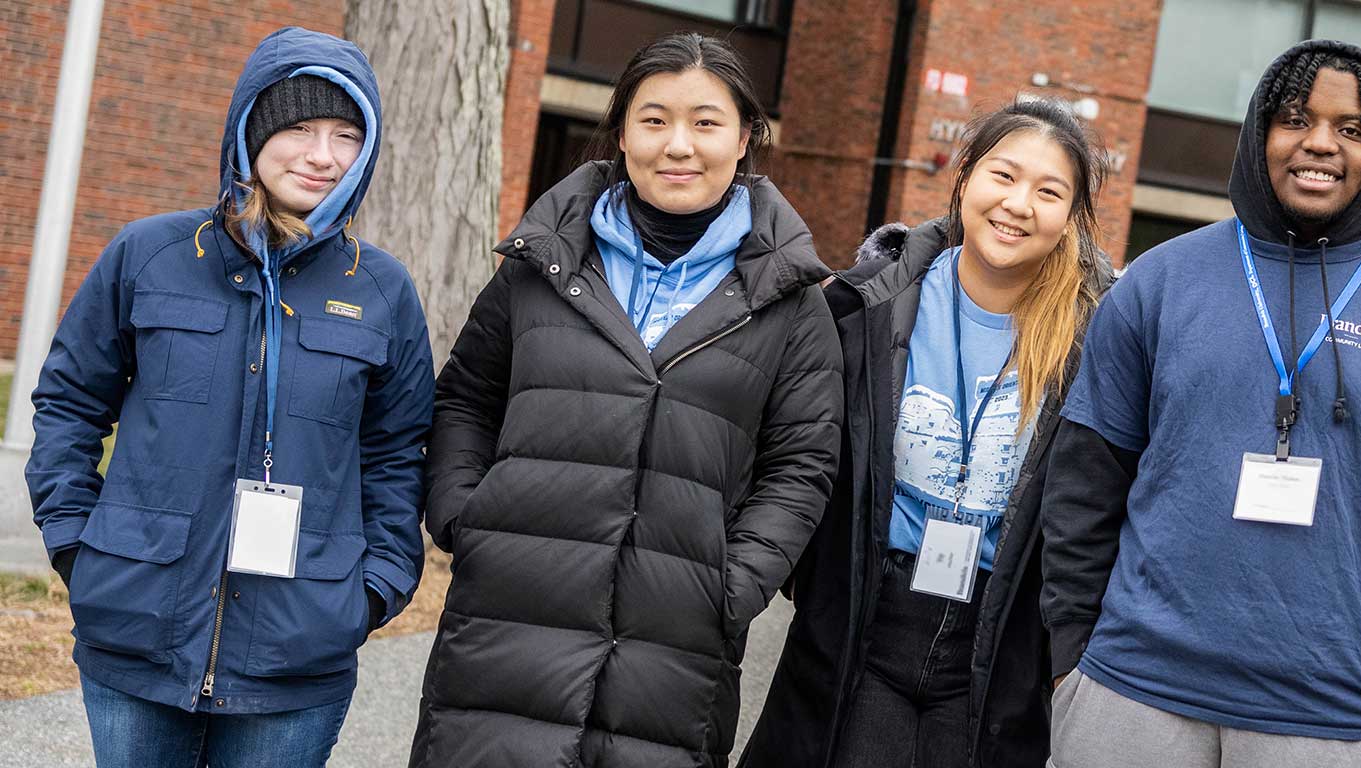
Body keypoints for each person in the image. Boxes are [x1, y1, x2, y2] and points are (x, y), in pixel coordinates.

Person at [1040, 39, 1361, 768]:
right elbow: (1084, 485)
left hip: (1327, 719)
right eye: (1296, 119)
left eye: (1352, 130)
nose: (1320, 144)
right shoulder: (1158, 283)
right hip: (1131, 692)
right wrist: (1072, 663)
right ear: (1259, 133)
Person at [408, 32, 842, 768]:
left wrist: (730, 585)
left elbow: (801, 464)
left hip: (675, 649)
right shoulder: (539, 269)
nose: (679, 144)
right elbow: (468, 399)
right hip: (508, 623)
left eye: (706, 123)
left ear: (745, 140)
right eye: (654, 119)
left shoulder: (792, 305)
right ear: (619, 135)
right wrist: (464, 517)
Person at [26, 27, 431, 768]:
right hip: (135, 637)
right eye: (300, 128)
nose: (322, 155)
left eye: (347, 135)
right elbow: (70, 403)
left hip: (298, 657)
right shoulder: (148, 255)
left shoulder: (381, 291)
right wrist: (76, 545)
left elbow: (397, 453)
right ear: (250, 129)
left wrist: (373, 591)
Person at [745, 99, 1114, 768]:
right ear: (965, 176)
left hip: (999, 642)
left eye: (1048, 191)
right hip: (867, 618)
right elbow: (796, 449)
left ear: (1071, 220)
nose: (1018, 204)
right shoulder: (867, 306)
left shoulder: (1097, 346)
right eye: (1003, 175)